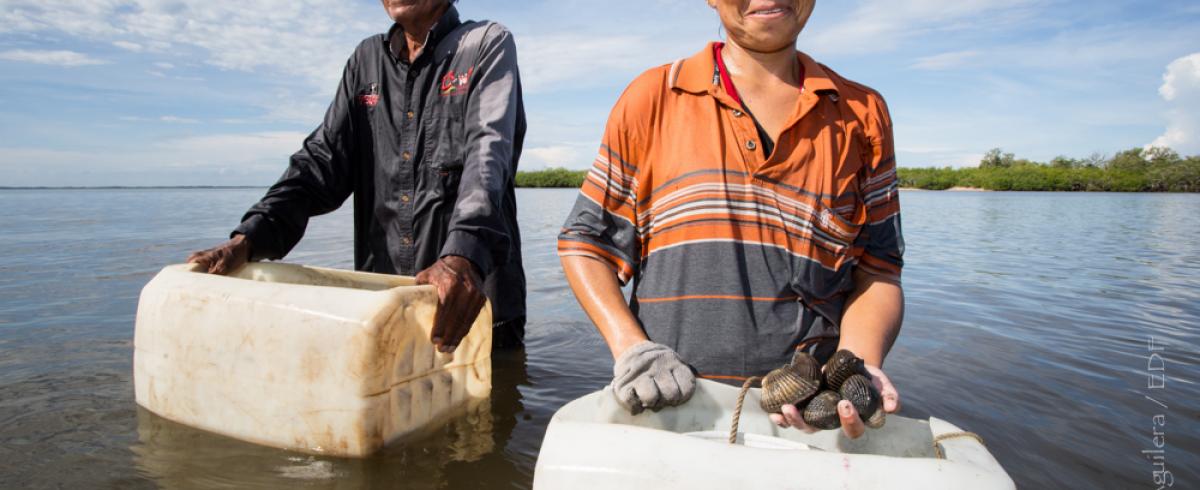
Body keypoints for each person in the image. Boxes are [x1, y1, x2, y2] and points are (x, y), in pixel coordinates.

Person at [557, 0, 903, 439]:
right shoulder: (653, 97)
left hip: (812, 423)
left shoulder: (863, 113)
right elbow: (586, 242)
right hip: (669, 411)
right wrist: (632, 349)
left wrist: (853, 370)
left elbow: (879, 269)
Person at [188, 0, 527, 352]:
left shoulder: (486, 43)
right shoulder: (366, 61)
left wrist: (463, 258)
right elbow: (321, 162)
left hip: (475, 306)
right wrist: (250, 237)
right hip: (389, 306)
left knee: (492, 401)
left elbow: (488, 157)